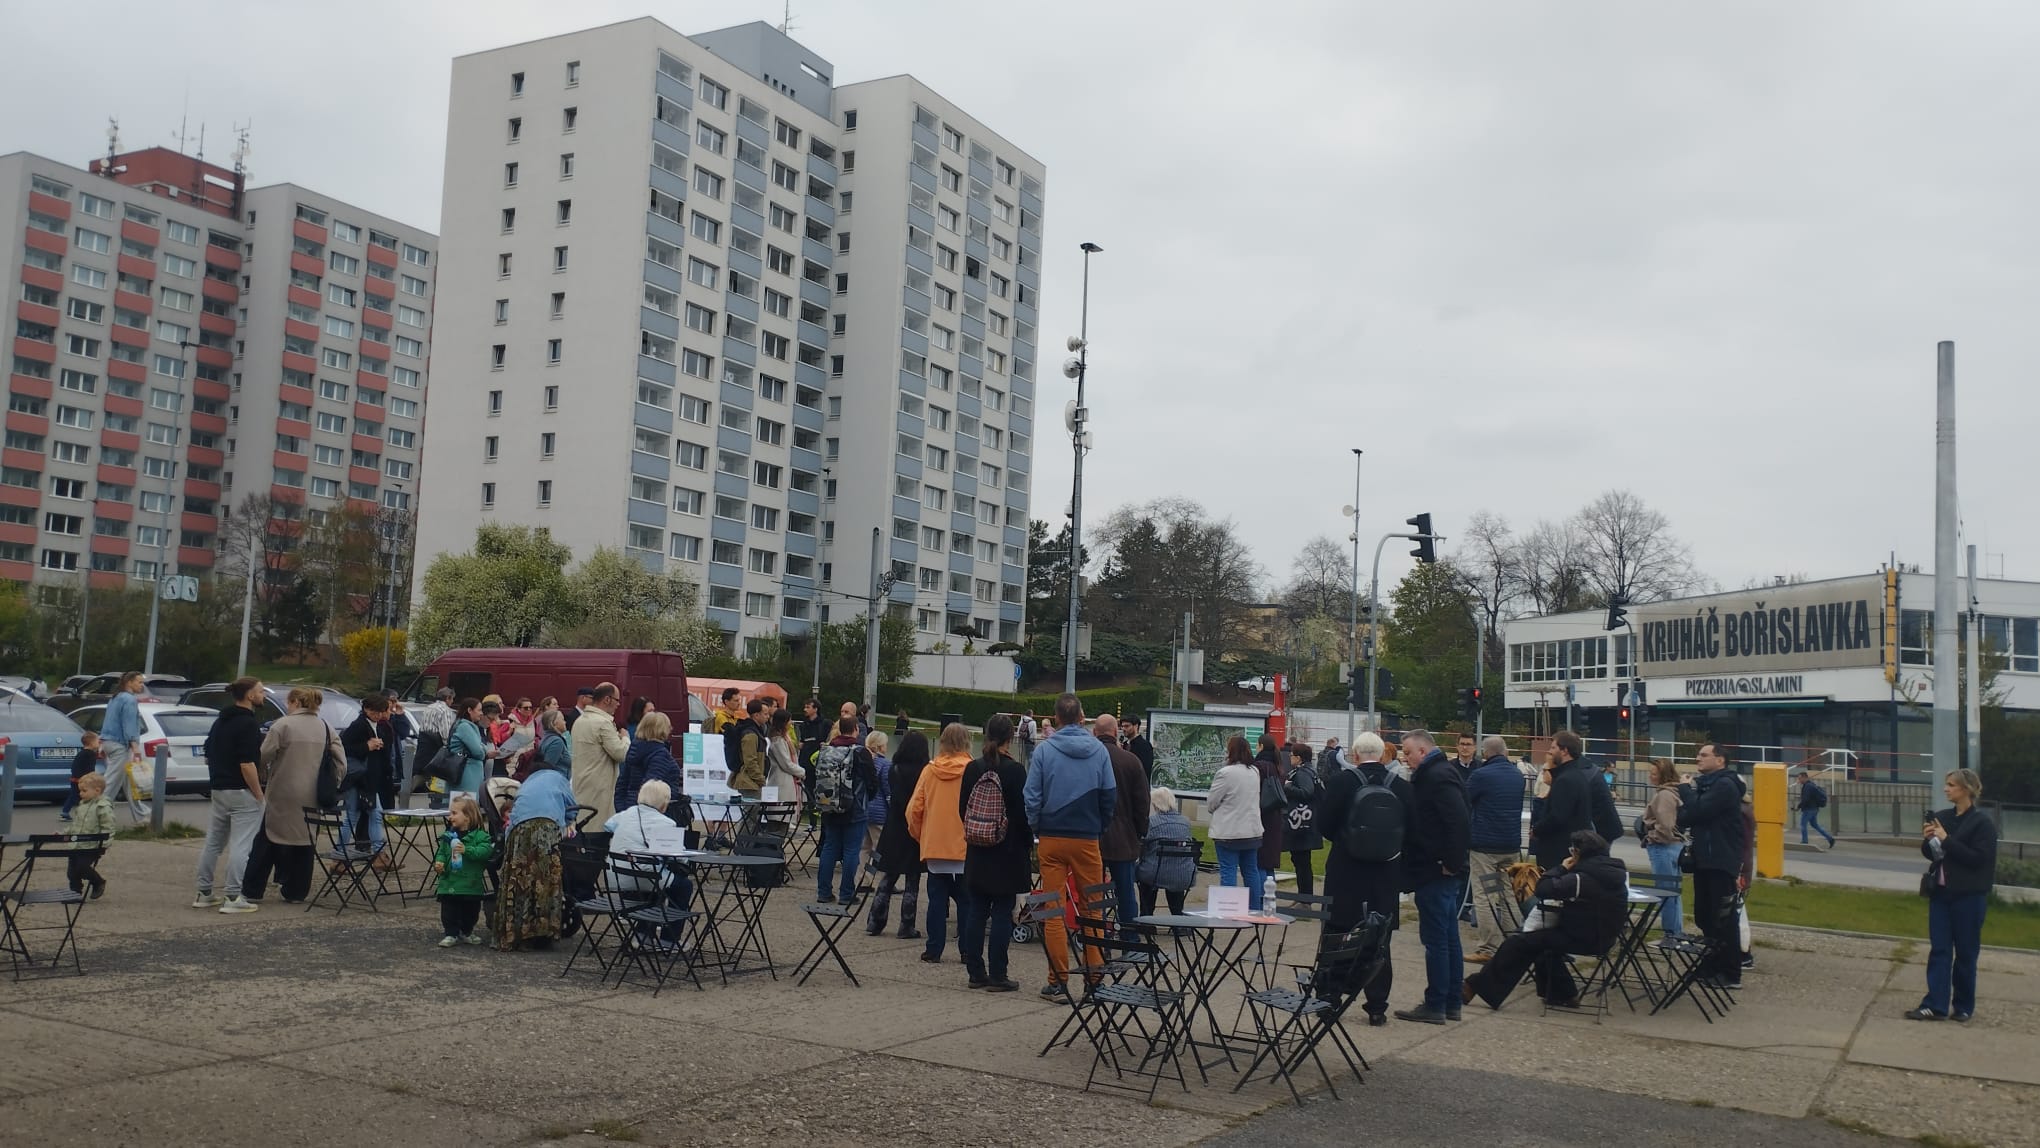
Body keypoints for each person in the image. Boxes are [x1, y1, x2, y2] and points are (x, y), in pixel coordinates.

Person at [1460, 830, 1628, 1011]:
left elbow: (1543, 888)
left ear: (1577, 853)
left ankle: (1475, 985)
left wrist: (1562, 868)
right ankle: (1563, 993)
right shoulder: (1616, 874)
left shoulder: (1581, 878)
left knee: (1518, 942)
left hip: (1583, 938)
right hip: (1603, 936)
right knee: (1541, 944)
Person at [1023, 694, 1117, 1000]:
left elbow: (1032, 796)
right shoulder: (1100, 752)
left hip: (1051, 837)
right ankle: (1095, 980)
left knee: (1053, 909)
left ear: (1056, 718)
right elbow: (1109, 797)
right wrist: (1099, 827)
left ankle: (1058, 981)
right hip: (1087, 838)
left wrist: (1037, 825)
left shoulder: (1045, 751)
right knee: (1094, 909)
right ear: (1081, 718)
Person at [1321, 731, 1411, 1026]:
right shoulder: (1401, 787)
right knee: (1380, 938)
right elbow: (1412, 830)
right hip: (1384, 874)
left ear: (1355, 756)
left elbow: (1324, 824)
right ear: (1383, 755)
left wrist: (1347, 841)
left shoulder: (1341, 783)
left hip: (1345, 872)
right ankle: (1377, 1005)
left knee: (1337, 934)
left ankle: (1330, 998)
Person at [1904, 768, 1997, 1021]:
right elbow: (1935, 855)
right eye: (1946, 784)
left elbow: (1978, 859)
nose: (1946, 789)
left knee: (1966, 953)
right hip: (1942, 895)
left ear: (1966, 789)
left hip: (1969, 897)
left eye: (1951, 785)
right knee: (1940, 950)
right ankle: (1935, 1005)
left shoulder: (1982, 823)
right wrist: (1928, 841)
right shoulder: (1943, 817)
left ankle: (1964, 1006)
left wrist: (1946, 839)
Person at [1392, 729, 1471, 1025]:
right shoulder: (1442, 773)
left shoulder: (1436, 776)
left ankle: (1436, 1002)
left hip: (1436, 869)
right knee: (1448, 937)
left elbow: (1458, 820)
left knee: (1437, 940)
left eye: (1408, 752)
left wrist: (1450, 861)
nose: (1405, 757)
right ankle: (1450, 1002)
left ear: (1423, 751)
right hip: (1439, 867)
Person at [244, 688, 346, 906]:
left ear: (294, 702)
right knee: (305, 841)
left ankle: (253, 889)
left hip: (283, 790)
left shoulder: (282, 725)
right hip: (313, 794)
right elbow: (341, 763)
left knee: (268, 839)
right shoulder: (326, 728)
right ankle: (296, 891)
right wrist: (332, 783)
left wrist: (262, 775)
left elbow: (263, 756)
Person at [959, 714, 1031, 991]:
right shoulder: (1015, 771)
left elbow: (962, 809)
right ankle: (998, 974)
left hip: (978, 850)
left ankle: (975, 972)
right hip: (1007, 851)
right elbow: (1023, 816)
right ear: (1010, 737)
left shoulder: (973, 768)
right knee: (1002, 912)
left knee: (976, 911)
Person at [195, 676, 268, 914]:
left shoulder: (221, 721)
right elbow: (247, 764)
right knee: (241, 845)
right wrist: (258, 794)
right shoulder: (248, 724)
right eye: (260, 691)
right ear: (249, 696)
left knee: (214, 842)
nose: (263, 695)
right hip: (241, 790)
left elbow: (208, 753)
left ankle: (204, 892)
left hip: (219, 788)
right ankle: (233, 896)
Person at [499, 731, 576, 950]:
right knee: (544, 880)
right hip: (545, 829)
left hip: (520, 832)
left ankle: (517, 932)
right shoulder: (558, 778)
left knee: (521, 880)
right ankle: (542, 931)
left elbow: (514, 817)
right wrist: (567, 821)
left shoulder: (526, 783)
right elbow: (572, 806)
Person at [1679, 744, 1746, 991]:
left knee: (1723, 918)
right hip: (1704, 859)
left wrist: (1686, 790)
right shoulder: (1706, 785)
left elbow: (1698, 809)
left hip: (1720, 859)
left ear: (1720, 760)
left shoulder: (1725, 786)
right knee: (1704, 915)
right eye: (1698, 754)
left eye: (1704, 755)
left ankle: (1730, 971)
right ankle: (1711, 963)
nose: (1698, 758)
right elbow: (1686, 816)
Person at [906, 723, 973, 962]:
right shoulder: (972, 770)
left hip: (936, 844)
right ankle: (967, 949)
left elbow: (914, 809)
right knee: (966, 901)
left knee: (936, 899)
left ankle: (934, 948)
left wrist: (921, 836)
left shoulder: (930, 770)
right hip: (965, 845)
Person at [605, 779, 695, 948]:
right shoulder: (666, 823)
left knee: (654, 885)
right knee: (683, 886)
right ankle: (670, 939)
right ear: (664, 802)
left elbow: (607, 826)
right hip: (645, 878)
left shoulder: (626, 814)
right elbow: (679, 856)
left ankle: (643, 935)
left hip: (616, 876)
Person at [1465, 735, 1527, 959]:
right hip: (1510, 844)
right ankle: (1514, 942)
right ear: (1506, 752)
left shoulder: (1481, 775)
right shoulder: (1518, 776)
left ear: (1485, 753)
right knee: (1509, 893)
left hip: (1485, 846)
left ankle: (1489, 947)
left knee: (1486, 895)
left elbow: (1466, 800)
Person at [870, 730, 929, 938]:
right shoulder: (924, 772)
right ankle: (906, 924)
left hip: (893, 826)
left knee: (888, 876)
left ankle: (875, 921)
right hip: (913, 828)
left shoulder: (893, 769)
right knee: (912, 879)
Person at [815, 717, 880, 904]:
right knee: (852, 850)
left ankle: (823, 891)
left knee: (829, 847)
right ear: (856, 730)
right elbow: (872, 782)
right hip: (855, 808)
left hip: (829, 805)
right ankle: (846, 893)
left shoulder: (826, 750)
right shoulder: (860, 752)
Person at [1095, 715, 1150, 930]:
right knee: (1126, 893)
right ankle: (1130, 939)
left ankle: (1096, 938)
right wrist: (1139, 832)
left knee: (1093, 892)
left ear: (1095, 733)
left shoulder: (1089, 758)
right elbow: (1142, 802)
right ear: (1115, 731)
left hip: (1093, 836)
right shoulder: (1130, 760)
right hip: (1124, 837)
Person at [1205, 736, 1266, 909]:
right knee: (1251, 871)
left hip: (1229, 831)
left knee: (1228, 871)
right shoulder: (1254, 771)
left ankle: (1229, 909)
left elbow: (1212, 802)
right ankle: (1254, 909)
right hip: (1251, 830)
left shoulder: (1225, 773)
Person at [338, 694, 400, 862]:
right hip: (358, 778)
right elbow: (343, 747)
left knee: (375, 814)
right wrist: (367, 746)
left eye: (381, 712)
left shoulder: (375, 725)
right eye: (375, 712)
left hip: (368, 778)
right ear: (367, 709)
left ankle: (379, 855)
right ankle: (339, 856)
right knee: (353, 815)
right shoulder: (358, 725)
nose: (379, 716)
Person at [431, 795, 494, 947]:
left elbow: (484, 852)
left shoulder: (480, 836)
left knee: (471, 911)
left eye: (454, 813)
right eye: (450, 813)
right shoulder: (447, 837)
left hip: (470, 883)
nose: (450, 816)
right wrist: (439, 862)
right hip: (450, 882)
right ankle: (451, 933)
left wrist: (467, 850)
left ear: (467, 816)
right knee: (449, 911)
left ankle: (467, 931)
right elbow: (441, 852)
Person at [1531, 731, 1595, 870]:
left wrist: (1536, 830)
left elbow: (1557, 816)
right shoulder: (1577, 776)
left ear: (1565, 751)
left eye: (1553, 748)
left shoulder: (1565, 780)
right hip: (1568, 847)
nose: (1550, 751)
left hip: (1558, 851)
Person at [569, 683, 627, 823]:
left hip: (581, 785)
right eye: (617, 700)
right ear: (607, 699)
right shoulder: (603, 723)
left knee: (583, 826)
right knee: (598, 831)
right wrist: (625, 738)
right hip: (600, 790)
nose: (618, 704)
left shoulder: (580, 720)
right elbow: (621, 753)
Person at [1641, 759, 1686, 937]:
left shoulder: (1664, 795)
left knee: (1665, 891)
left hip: (1663, 847)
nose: (1650, 777)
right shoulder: (1674, 792)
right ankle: (1676, 931)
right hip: (1675, 846)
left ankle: (1671, 933)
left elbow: (1665, 826)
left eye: (1654, 773)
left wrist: (1651, 836)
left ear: (1663, 775)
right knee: (1673, 892)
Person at [1137, 787, 1197, 917]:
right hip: (1183, 874)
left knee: (1146, 874)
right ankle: (1177, 917)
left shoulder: (1152, 822)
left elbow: (1141, 845)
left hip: (1154, 875)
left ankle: (1146, 916)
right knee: (1175, 872)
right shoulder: (1185, 822)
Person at [613, 710, 682, 819]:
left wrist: (622, 811)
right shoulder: (660, 754)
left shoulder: (634, 750)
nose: (671, 729)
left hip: (629, 810)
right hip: (655, 815)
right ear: (660, 729)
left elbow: (621, 784)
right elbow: (651, 790)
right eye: (668, 726)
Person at [101, 671, 146, 818]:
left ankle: (142, 816)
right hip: (120, 744)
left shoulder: (116, 697)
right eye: (139, 682)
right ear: (129, 682)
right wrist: (135, 746)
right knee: (110, 782)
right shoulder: (129, 699)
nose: (142, 685)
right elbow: (129, 724)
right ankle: (96, 814)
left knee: (129, 783)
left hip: (109, 742)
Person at [1282, 742, 1325, 897]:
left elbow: (1307, 792)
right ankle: (1304, 897)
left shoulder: (1302, 773)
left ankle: (1305, 899)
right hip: (1305, 823)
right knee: (1301, 862)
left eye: (1292, 755)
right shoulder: (1309, 770)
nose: (1289, 757)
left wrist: (1288, 787)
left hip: (1301, 823)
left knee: (1302, 863)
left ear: (1299, 758)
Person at [62, 772, 114, 897]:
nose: (81, 794)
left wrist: (104, 843)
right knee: (71, 872)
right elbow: (76, 824)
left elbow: (108, 827)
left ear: (97, 791)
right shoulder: (82, 805)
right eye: (80, 791)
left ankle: (98, 882)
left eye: (84, 791)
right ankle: (75, 893)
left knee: (82, 867)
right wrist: (64, 834)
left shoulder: (103, 807)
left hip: (92, 845)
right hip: (76, 844)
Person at [410, 687, 456, 805]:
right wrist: (448, 747)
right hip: (436, 745)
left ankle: (406, 791)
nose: (452, 702)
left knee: (420, 771)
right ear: (447, 698)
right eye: (452, 699)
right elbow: (445, 732)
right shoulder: (445, 711)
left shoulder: (429, 708)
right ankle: (438, 801)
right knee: (438, 773)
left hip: (424, 742)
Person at [1254, 735, 1286, 888]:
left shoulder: (1259, 767)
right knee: (1269, 865)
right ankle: (1269, 898)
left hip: (1261, 816)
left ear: (1260, 746)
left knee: (1259, 862)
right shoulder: (1278, 766)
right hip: (1275, 817)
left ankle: (1259, 899)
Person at [447, 698, 494, 797]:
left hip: (465, 772)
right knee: (466, 805)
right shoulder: (465, 727)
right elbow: (479, 752)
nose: (481, 713)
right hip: (466, 773)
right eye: (479, 710)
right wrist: (485, 750)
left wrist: (483, 748)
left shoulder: (463, 725)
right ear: (469, 710)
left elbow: (481, 747)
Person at [724, 698, 769, 798]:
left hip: (750, 781)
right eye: (765, 714)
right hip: (749, 783)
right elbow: (750, 761)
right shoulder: (751, 735)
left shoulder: (755, 732)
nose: (768, 717)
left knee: (752, 812)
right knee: (751, 812)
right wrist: (760, 779)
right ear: (756, 715)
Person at [861, 729, 890, 871]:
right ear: (879, 747)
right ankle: (884, 880)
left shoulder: (865, 761)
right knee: (881, 849)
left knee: (865, 847)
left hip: (865, 808)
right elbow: (887, 790)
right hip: (880, 812)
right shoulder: (885, 764)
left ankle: (861, 879)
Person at [59, 731, 101, 821]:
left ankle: (65, 811)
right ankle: (84, 814)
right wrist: (92, 777)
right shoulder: (91, 754)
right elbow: (90, 767)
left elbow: (75, 765)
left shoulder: (81, 753)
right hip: (84, 780)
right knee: (87, 797)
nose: (99, 744)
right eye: (98, 742)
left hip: (74, 779)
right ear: (92, 743)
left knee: (73, 796)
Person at [766, 711, 804, 803]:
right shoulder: (777, 741)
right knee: (782, 812)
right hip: (781, 780)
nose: (791, 723)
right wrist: (801, 772)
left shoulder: (785, 738)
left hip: (788, 779)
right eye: (789, 720)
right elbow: (785, 763)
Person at [1797, 769, 1835, 849]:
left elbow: (1806, 799)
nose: (1799, 780)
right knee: (1815, 825)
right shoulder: (1811, 785)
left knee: (1803, 824)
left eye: (1800, 778)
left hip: (1809, 809)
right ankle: (1830, 839)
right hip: (1814, 809)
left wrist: (1799, 806)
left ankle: (1804, 841)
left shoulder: (1808, 786)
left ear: (1805, 777)